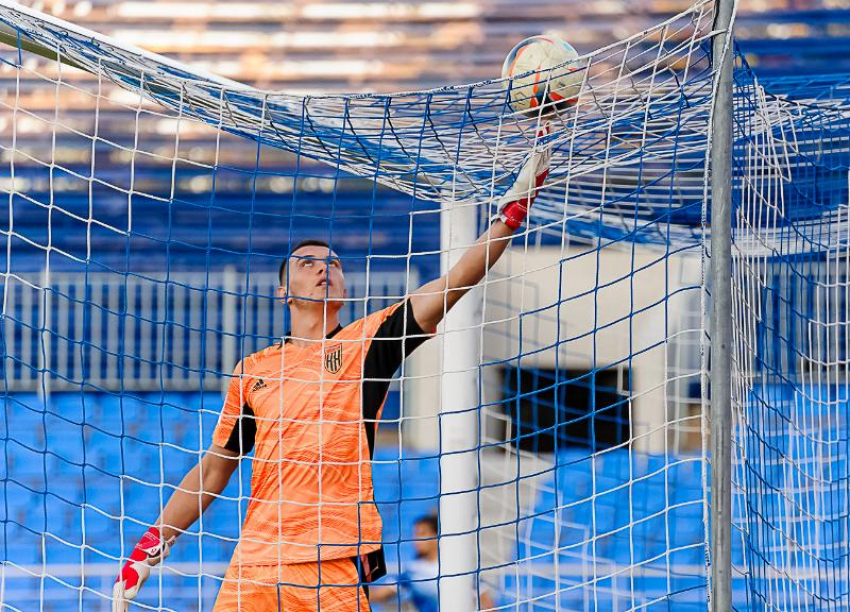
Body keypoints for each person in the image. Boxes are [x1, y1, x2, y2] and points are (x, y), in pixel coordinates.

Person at [112, 127, 551, 612]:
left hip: (336, 563)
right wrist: (152, 545)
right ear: (283, 290)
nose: (324, 268)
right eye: (307, 262)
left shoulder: (370, 340)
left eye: (335, 263)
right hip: (258, 561)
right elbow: (217, 467)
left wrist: (511, 216)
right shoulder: (253, 370)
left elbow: (452, 283)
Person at [370, 515, 494, 612]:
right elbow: (379, 595)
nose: (416, 539)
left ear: (437, 536)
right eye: (415, 534)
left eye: (422, 534)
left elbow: (487, 605)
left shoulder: (460, 567)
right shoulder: (413, 572)